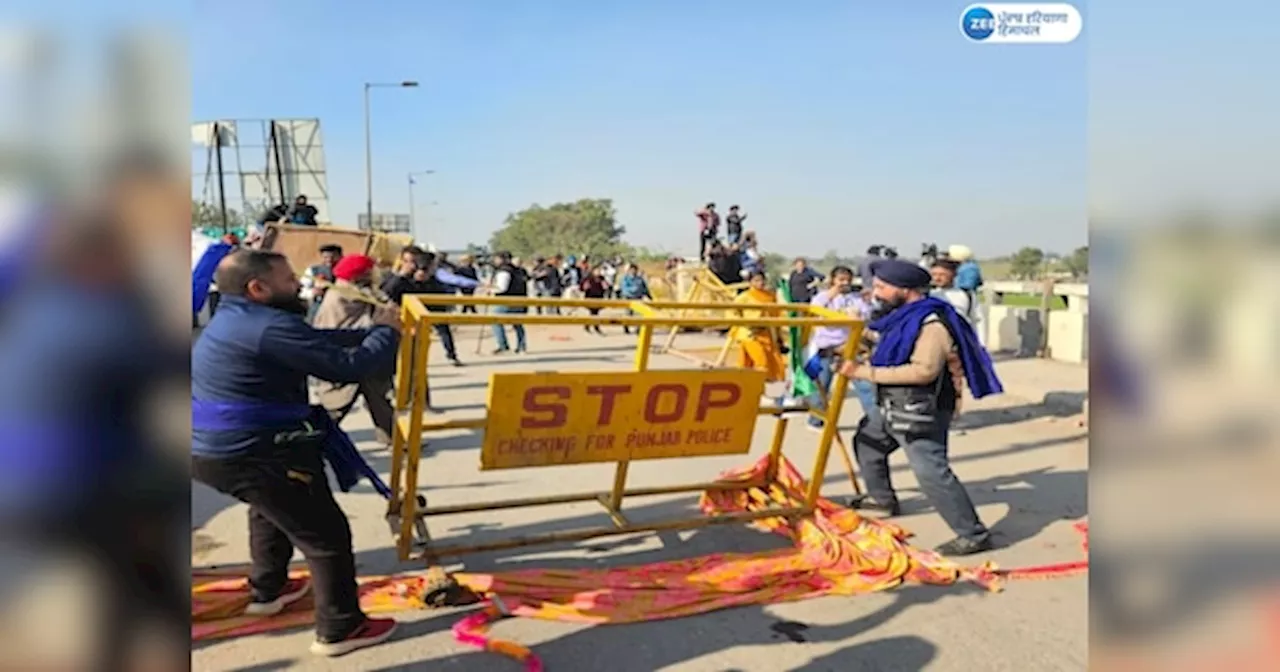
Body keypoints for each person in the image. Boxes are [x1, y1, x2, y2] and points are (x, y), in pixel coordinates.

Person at [191, 249, 402, 656]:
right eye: (290, 279)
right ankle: (340, 627)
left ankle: (268, 590)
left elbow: (317, 342)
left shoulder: (237, 318)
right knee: (326, 535)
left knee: (268, 509)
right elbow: (349, 367)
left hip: (222, 450)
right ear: (258, 288)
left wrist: (370, 329)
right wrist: (387, 333)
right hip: (255, 450)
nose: (300, 285)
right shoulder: (268, 326)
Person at [838, 259, 1003, 557]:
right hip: (893, 404)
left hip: (921, 410)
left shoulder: (931, 323)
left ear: (905, 290)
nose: (875, 293)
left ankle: (973, 534)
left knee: (931, 472)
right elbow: (886, 344)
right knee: (868, 441)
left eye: (881, 287)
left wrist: (863, 373)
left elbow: (922, 371)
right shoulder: (902, 317)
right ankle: (882, 499)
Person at [311, 255, 398, 443]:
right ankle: (314, 441)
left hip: (361, 352)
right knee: (336, 405)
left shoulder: (351, 289)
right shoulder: (346, 293)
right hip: (348, 353)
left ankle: (393, 438)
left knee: (379, 400)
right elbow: (368, 318)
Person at [804, 266, 874, 429]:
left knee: (864, 386)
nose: (845, 283)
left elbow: (866, 313)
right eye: (841, 280)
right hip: (827, 347)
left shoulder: (855, 299)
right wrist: (832, 294)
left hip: (850, 347)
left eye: (847, 280)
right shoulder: (822, 297)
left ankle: (875, 419)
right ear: (833, 280)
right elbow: (815, 310)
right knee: (822, 386)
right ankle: (816, 420)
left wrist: (860, 313)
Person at [415, 251, 480, 366]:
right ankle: (451, 356)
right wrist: (478, 284)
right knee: (442, 332)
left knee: (440, 332)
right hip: (430, 307)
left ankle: (450, 355)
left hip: (427, 307)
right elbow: (455, 280)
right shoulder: (437, 272)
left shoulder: (424, 273)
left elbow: (455, 280)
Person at [732, 271, 789, 399]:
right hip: (749, 334)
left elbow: (776, 316)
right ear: (750, 282)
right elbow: (732, 312)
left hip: (767, 333)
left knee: (776, 364)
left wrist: (779, 338)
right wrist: (743, 325)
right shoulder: (744, 297)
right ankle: (755, 391)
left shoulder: (770, 296)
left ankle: (774, 393)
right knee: (760, 361)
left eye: (762, 280)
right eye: (756, 280)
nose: (760, 283)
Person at [489, 251, 529, 354]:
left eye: (497, 258)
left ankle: (503, 346)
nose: (495, 260)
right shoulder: (518, 270)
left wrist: (490, 290)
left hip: (506, 301)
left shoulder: (504, 271)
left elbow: (502, 288)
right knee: (518, 324)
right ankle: (522, 347)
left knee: (495, 320)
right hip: (519, 300)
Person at [930, 257, 979, 327]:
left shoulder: (967, 295)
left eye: (942, 275)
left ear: (954, 274)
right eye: (934, 274)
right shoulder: (929, 295)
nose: (937, 278)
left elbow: (977, 320)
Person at [301, 244, 343, 318]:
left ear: (340, 257)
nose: (329, 260)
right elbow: (301, 290)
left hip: (338, 311)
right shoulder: (313, 270)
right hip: (318, 310)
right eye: (326, 257)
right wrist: (312, 292)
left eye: (333, 257)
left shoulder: (346, 272)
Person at [618, 263, 652, 334]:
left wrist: (649, 296)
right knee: (628, 314)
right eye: (632, 269)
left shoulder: (640, 279)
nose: (633, 271)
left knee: (639, 314)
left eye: (635, 269)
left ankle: (638, 328)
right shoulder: (625, 279)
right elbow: (624, 289)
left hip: (638, 298)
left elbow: (645, 288)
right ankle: (626, 327)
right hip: (629, 298)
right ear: (629, 270)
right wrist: (634, 290)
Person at [579, 266, 609, 334]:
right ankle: (595, 327)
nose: (598, 272)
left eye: (599, 270)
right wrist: (584, 287)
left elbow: (606, 286)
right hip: (590, 298)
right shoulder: (588, 278)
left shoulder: (602, 278)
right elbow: (581, 287)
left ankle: (588, 326)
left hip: (599, 298)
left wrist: (605, 286)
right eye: (596, 271)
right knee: (593, 313)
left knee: (595, 313)